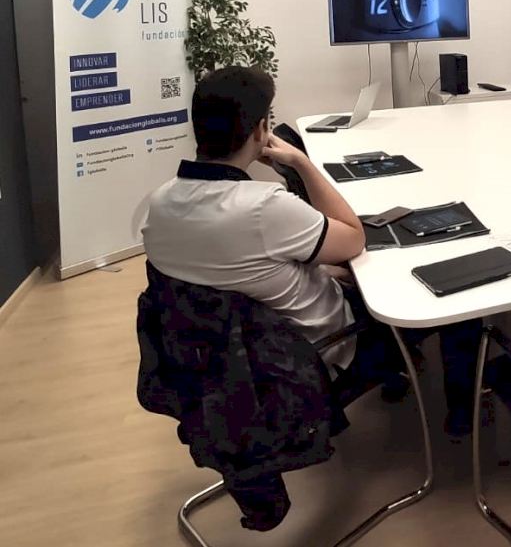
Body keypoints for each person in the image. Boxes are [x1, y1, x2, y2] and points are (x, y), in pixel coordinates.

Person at [142, 66, 480, 436]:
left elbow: (243, 271)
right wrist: (302, 163)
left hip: (218, 361)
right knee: (455, 295)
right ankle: (464, 416)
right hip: (313, 355)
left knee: (351, 272)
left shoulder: (159, 203)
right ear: (260, 130)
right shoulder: (264, 207)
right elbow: (354, 238)